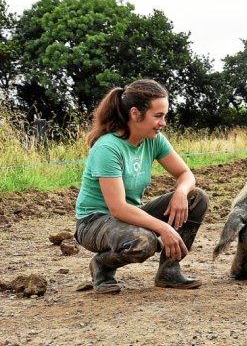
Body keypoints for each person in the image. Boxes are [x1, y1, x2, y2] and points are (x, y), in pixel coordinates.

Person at [74, 79, 208, 294]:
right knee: (144, 242)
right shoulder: (107, 148)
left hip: (130, 215)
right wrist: (163, 228)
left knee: (196, 197)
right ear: (135, 114)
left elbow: (185, 174)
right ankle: (103, 265)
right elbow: (117, 208)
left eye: (164, 116)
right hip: (95, 222)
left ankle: (169, 271)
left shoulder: (153, 139)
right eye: (158, 116)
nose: (163, 122)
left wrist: (181, 192)